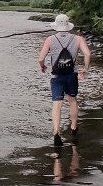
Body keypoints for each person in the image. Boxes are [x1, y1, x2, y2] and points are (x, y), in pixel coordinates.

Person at [38, 13, 91, 148]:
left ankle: (56, 132)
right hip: (71, 74)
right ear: (68, 25)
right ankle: (73, 127)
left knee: (57, 104)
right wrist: (85, 69)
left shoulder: (50, 39)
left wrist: (43, 66)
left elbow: (41, 58)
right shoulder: (78, 39)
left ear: (56, 25)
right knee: (72, 99)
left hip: (57, 76)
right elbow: (88, 54)